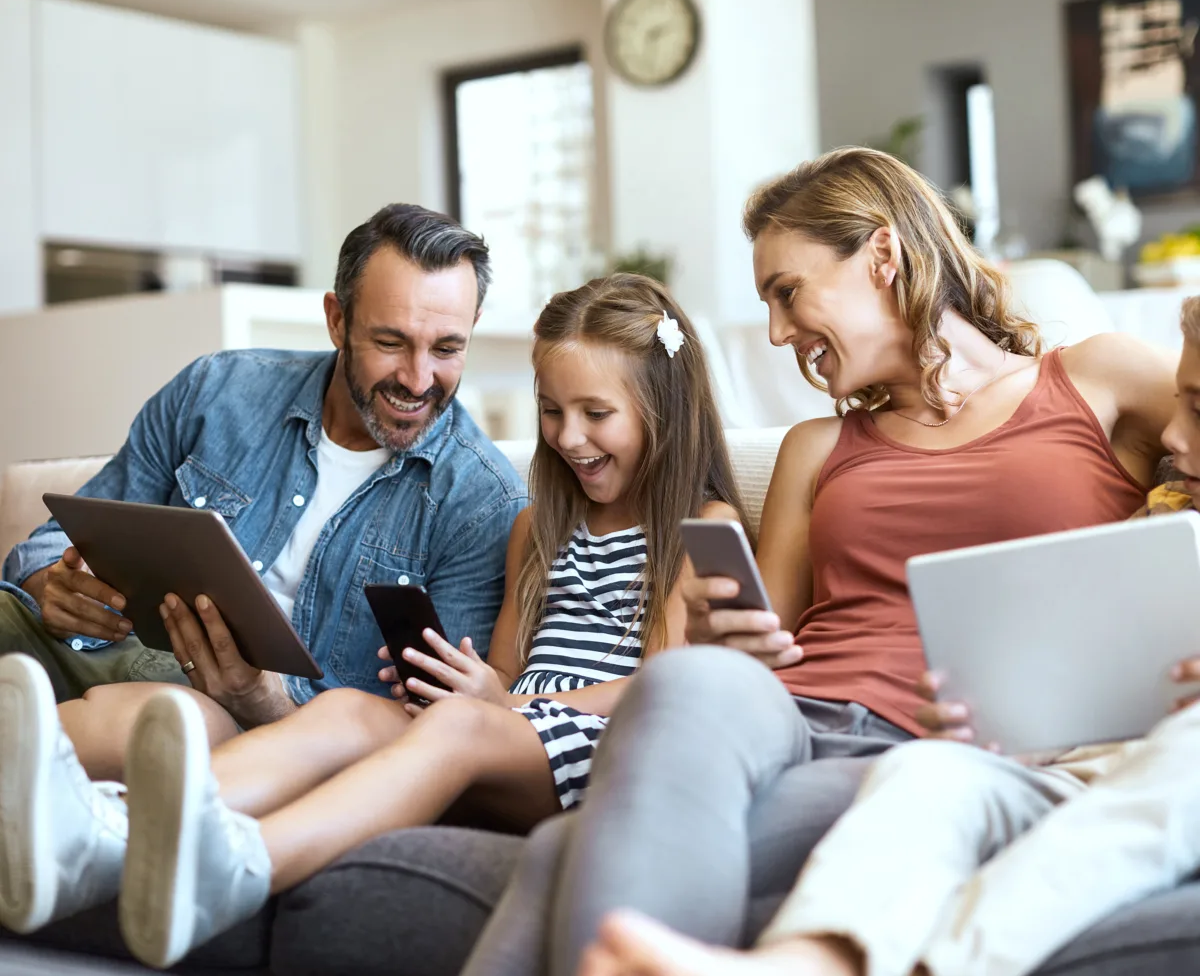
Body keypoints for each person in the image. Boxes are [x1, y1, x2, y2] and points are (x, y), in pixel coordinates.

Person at [458, 147, 1179, 976]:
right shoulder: (818, 447)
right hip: (786, 716)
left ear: (881, 255)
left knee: (562, 852)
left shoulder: (1097, 380)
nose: (777, 332)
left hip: (927, 740)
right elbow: (770, 638)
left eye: (787, 293)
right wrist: (726, 638)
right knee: (690, 679)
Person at [0, 274, 750, 968]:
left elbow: (661, 688)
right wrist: (474, 686)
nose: (568, 437)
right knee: (356, 709)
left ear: (663, 409)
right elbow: (506, 672)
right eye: (552, 411)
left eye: (596, 415)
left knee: (453, 726)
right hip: (503, 734)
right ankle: (116, 826)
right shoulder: (538, 529)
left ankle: (239, 864)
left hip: (596, 741)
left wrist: (502, 709)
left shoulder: (698, 527)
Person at [574, 296, 1200, 976]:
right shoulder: (1164, 520)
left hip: (1166, 770)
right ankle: (807, 961)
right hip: (1070, 767)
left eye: (1197, 406)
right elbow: (1098, 663)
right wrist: (1009, 718)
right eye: (1181, 403)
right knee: (931, 770)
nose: (1172, 432)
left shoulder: (1095, 384)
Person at [0, 204, 525, 925]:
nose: (418, 377)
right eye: (391, 342)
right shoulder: (218, 393)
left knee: (171, 722)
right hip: (91, 640)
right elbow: (55, 537)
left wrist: (262, 701)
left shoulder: (481, 502)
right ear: (337, 320)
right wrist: (50, 579)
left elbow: (419, 739)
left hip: (223, 717)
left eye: (448, 349)